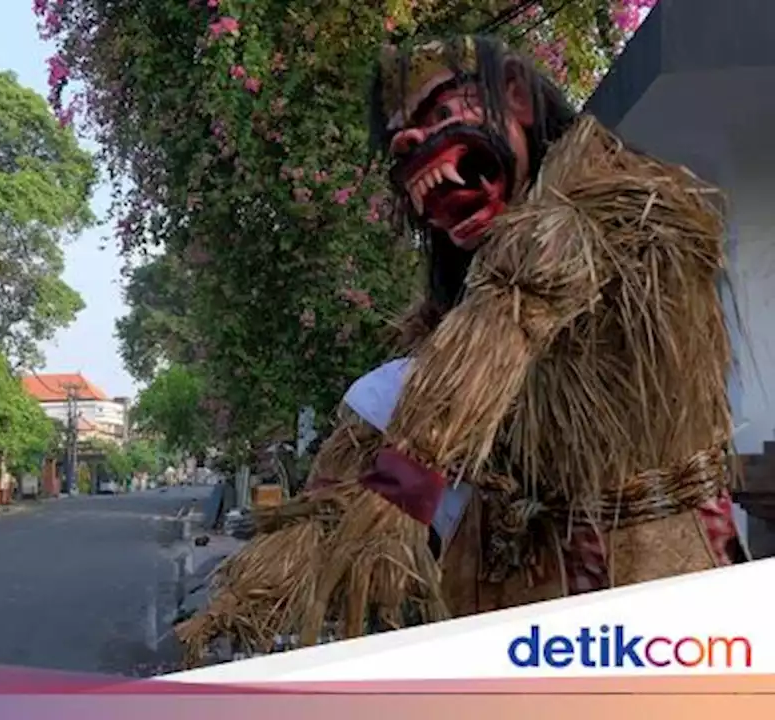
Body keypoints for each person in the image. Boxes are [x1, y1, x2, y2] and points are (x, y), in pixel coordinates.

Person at [178, 34, 744, 665]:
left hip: (645, 586)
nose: (417, 145)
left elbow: (512, 316)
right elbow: (370, 458)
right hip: (504, 600)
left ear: (516, 101)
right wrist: (268, 581)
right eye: (402, 141)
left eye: (441, 115)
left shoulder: (621, 207)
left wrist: (399, 488)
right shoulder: (460, 312)